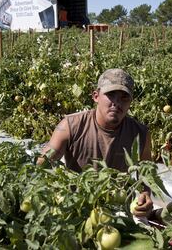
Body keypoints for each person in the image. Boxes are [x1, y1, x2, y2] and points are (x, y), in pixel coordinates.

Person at [37, 68, 154, 218]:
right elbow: (42, 164)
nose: (116, 103)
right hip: (76, 207)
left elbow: (147, 175)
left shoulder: (140, 133)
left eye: (124, 97)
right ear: (96, 96)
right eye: (110, 95)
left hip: (117, 211)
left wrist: (146, 195)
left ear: (131, 101)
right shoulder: (70, 125)